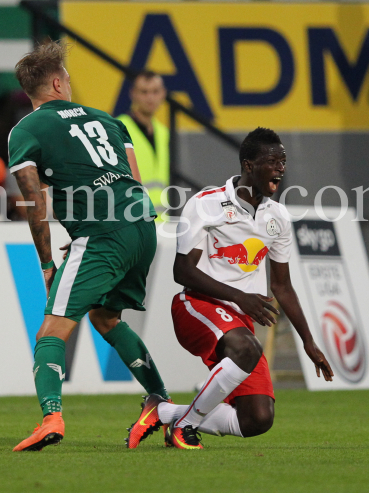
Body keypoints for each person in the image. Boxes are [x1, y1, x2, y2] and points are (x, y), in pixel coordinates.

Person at [8, 40, 170, 451]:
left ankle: (51, 417)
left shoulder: (25, 130)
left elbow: (33, 199)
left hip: (102, 233)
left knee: (51, 329)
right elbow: (131, 181)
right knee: (105, 317)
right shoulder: (110, 121)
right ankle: (161, 404)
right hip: (141, 226)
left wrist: (47, 263)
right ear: (60, 82)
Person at [134, 127, 333, 450]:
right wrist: (240, 297)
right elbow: (182, 271)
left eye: (283, 160)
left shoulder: (278, 217)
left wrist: (308, 342)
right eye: (273, 161)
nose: (281, 167)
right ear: (249, 166)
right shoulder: (206, 205)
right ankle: (184, 427)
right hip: (196, 305)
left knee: (257, 419)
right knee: (247, 348)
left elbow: (282, 287)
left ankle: (164, 411)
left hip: (240, 321)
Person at [117, 70, 169, 218]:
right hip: (133, 218)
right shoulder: (119, 127)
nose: (150, 98)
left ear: (163, 94)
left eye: (155, 92)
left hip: (162, 220)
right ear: (133, 94)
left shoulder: (163, 132)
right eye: (144, 92)